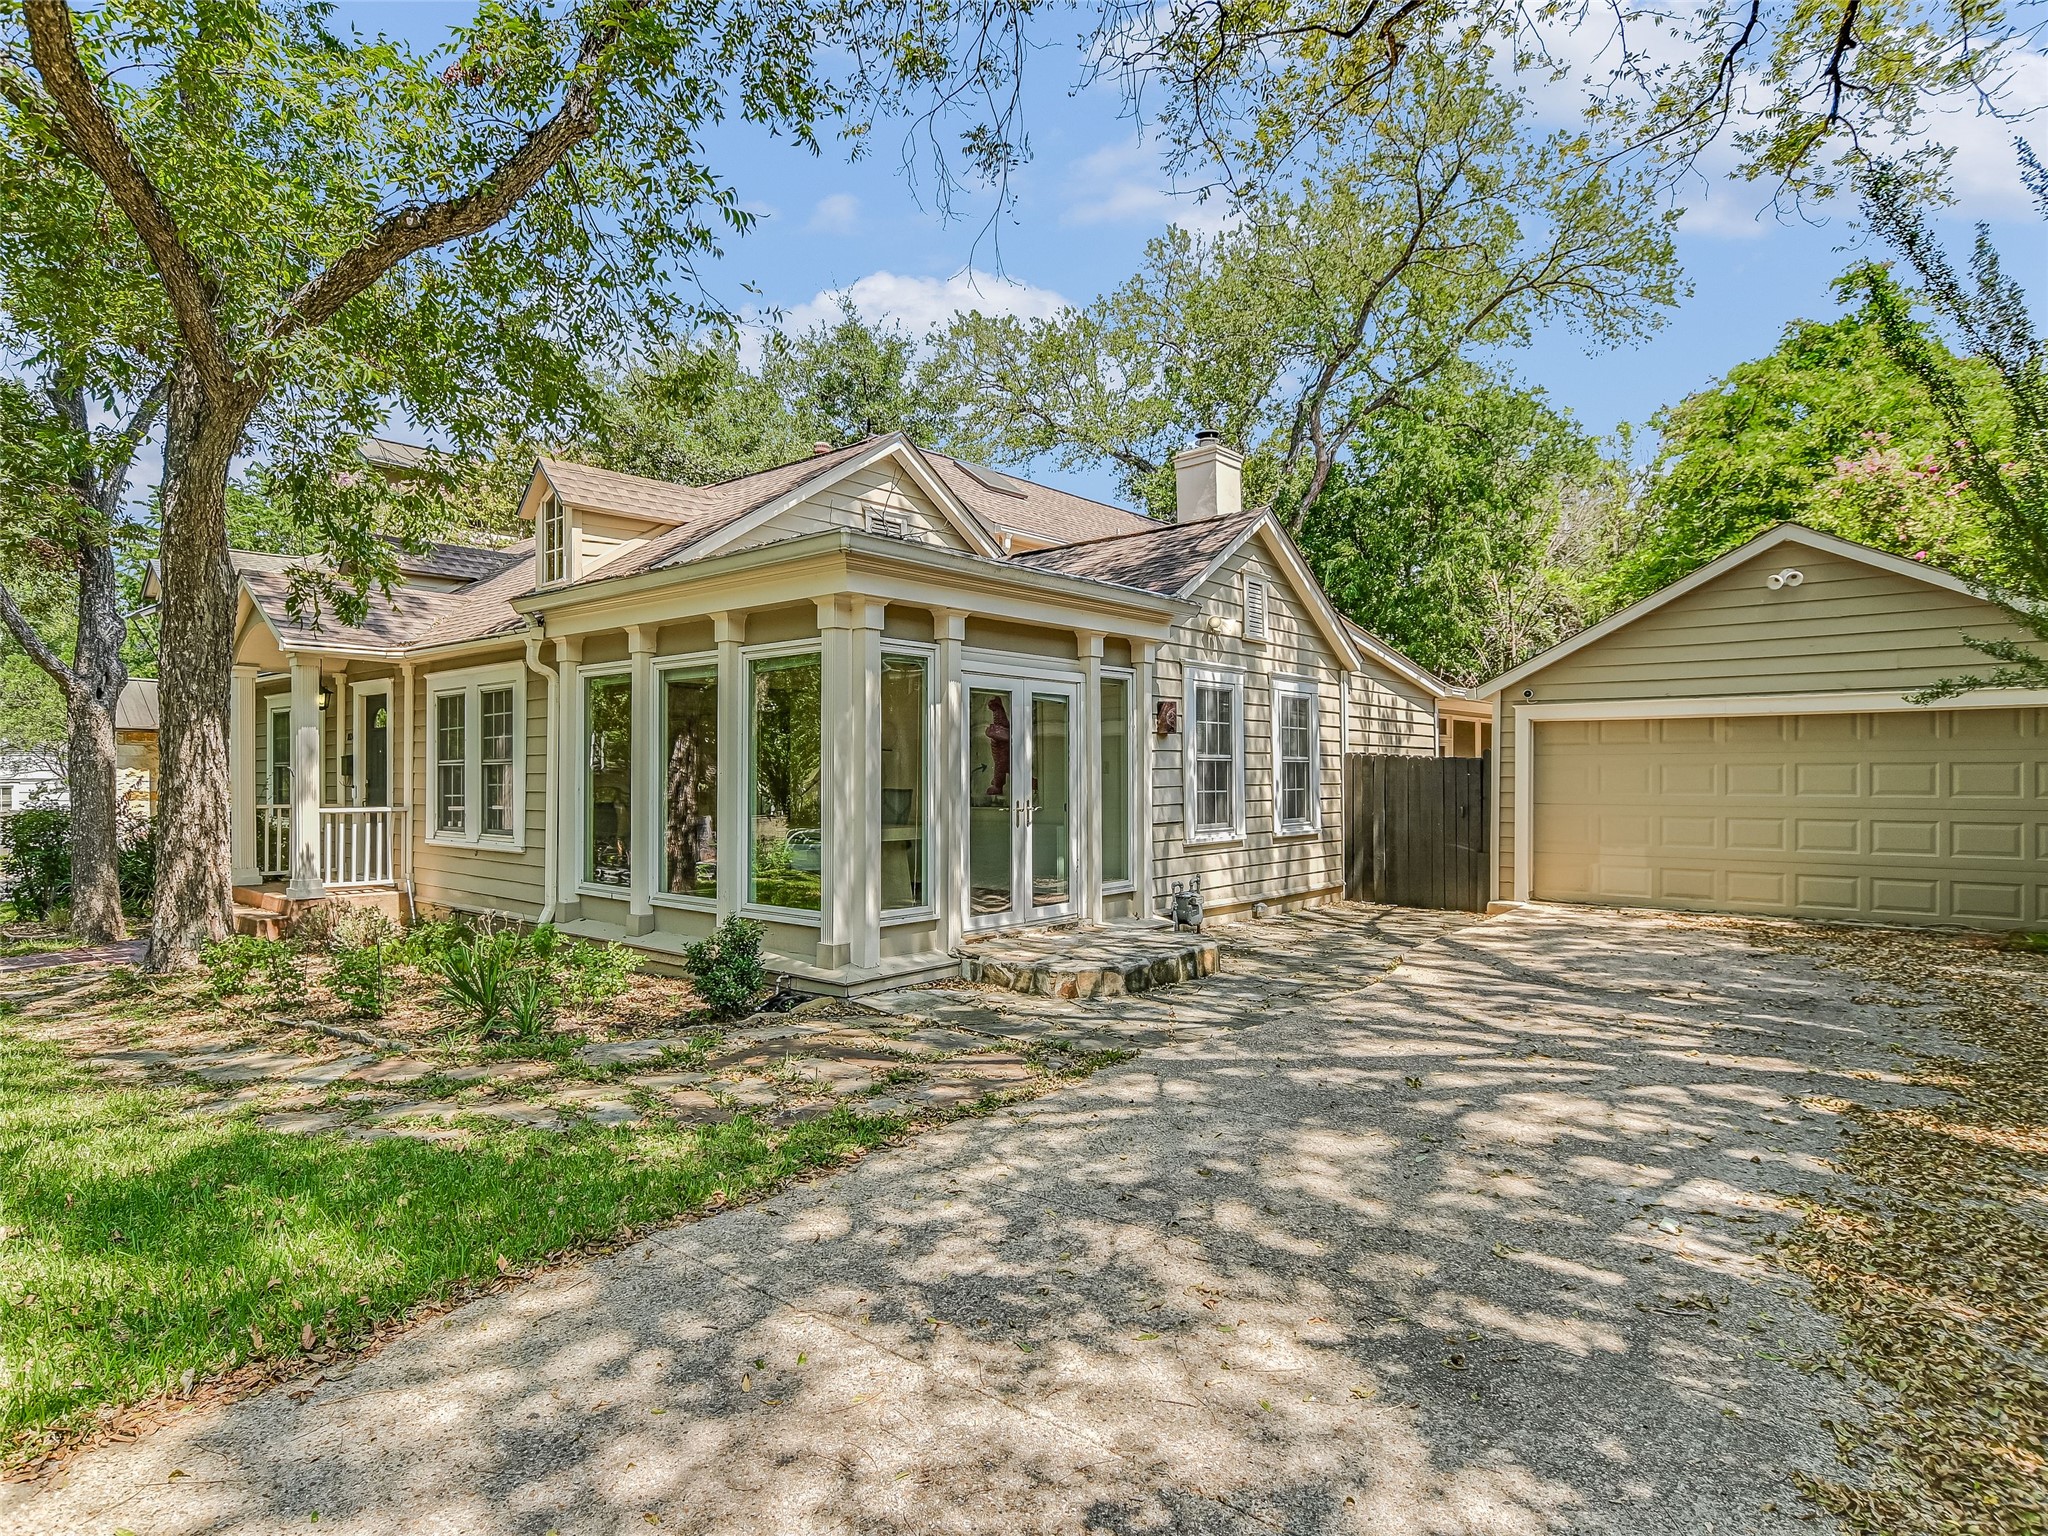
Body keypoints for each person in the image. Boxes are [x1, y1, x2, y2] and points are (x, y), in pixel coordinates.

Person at [985, 696, 1011, 800]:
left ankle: (998, 785)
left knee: (1000, 766)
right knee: (1001, 766)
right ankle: (997, 784)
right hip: (1002, 748)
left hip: (1002, 750)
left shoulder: (1002, 729)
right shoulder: (1002, 726)